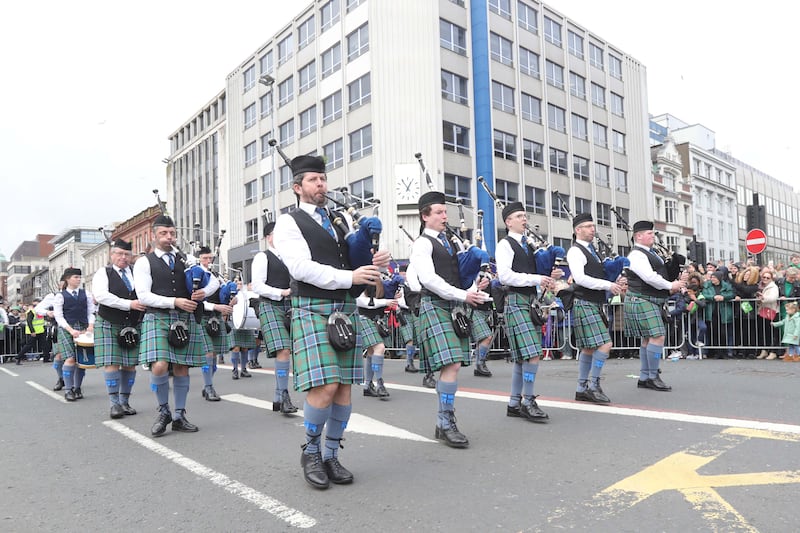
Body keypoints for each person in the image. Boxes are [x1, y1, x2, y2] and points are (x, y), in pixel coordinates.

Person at [273, 154, 390, 489]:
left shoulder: (339, 220)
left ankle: (331, 454)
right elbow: (300, 268)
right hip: (311, 306)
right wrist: (349, 275)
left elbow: (354, 259)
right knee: (323, 387)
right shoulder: (289, 222)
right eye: (312, 180)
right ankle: (310, 451)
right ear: (298, 187)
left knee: (342, 389)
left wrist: (373, 260)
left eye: (323, 179)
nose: (320, 185)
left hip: (344, 307)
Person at [409, 190, 489, 448]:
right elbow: (429, 280)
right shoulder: (422, 244)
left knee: (452, 365)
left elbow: (457, 275)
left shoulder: (449, 242)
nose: (445, 216)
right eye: (440, 212)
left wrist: (475, 287)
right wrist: (463, 296)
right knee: (452, 364)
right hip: (436, 305)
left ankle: (444, 422)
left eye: (446, 212)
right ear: (425, 216)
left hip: (453, 304)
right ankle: (445, 422)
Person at [133, 215, 218, 436]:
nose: (169, 237)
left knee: (182, 367)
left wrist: (203, 292)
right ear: (154, 236)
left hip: (184, 318)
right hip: (158, 316)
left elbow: (215, 280)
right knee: (160, 365)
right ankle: (163, 411)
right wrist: (174, 301)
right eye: (163, 233)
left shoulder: (187, 259)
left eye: (172, 233)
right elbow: (143, 296)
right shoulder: (144, 262)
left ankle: (179, 415)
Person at [495, 202, 553, 421]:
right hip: (516, 301)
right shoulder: (505, 244)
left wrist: (547, 275)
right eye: (519, 216)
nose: (524, 219)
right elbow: (505, 276)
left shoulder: (528, 245)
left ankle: (513, 402)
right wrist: (536, 278)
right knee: (532, 355)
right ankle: (528, 401)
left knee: (523, 357)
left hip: (529, 302)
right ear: (508, 221)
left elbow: (531, 273)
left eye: (525, 216)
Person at [565, 213, 623, 403]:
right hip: (584, 302)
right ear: (577, 230)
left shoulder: (592, 251)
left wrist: (614, 280)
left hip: (594, 302)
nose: (592, 229)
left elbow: (597, 275)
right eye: (588, 226)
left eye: (593, 225)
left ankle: (581, 388)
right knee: (605, 344)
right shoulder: (575, 251)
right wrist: (608, 285)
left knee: (588, 349)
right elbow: (580, 278)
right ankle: (593, 384)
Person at [624, 221, 685, 391]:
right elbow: (649, 277)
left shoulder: (651, 253)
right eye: (649, 233)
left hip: (648, 299)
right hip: (642, 298)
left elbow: (659, 272)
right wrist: (670, 285)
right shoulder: (636, 255)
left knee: (647, 339)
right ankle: (652, 376)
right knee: (657, 336)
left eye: (653, 233)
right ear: (638, 236)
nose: (653, 235)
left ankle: (645, 376)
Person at [92, 239, 145, 418]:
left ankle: (125, 402)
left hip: (132, 324)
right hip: (108, 322)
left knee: (130, 365)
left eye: (127, 254)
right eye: (120, 254)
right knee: (112, 363)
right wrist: (129, 304)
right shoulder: (103, 272)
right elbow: (101, 296)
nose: (123, 257)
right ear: (112, 255)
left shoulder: (137, 273)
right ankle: (114, 404)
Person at [251, 221, 297, 414]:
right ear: (268, 237)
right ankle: (284, 394)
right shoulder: (262, 257)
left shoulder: (292, 257)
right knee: (284, 350)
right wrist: (283, 292)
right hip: (270, 305)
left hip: (292, 306)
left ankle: (278, 397)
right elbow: (258, 286)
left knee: (290, 351)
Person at [53, 268, 96, 401]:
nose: (78, 279)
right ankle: (68, 389)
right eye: (75, 277)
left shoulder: (86, 294)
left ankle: (77, 388)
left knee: (81, 361)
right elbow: (58, 316)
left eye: (79, 277)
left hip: (84, 328)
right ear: (67, 279)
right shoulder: (60, 296)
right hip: (67, 329)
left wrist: (90, 326)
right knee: (70, 358)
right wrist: (71, 330)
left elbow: (91, 312)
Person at [197, 246, 233, 402]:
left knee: (215, 355)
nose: (208, 261)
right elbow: (195, 300)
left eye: (210, 258)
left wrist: (231, 301)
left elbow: (223, 297)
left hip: (217, 318)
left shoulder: (217, 277)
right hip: (202, 317)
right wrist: (216, 306)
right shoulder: (195, 275)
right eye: (205, 258)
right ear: (199, 259)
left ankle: (207, 385)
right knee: (209, 353)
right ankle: (209, 387)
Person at [701, 271, 735, 359]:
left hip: (724, 312)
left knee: (724, 332)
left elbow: (731, 294)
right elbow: (704, 294)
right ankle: (717, 352)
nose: (713, 279)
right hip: (712, 312)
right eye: (712, 277)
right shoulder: (707, 285)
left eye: (715, 278)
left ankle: (724, 351)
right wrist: (713, 297)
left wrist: (723, 297)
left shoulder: (726, 285)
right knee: (714, 332)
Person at [755, 269, 780, 360]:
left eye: (767, 277)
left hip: (771, 311)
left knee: (772, 332)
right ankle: (764, 350)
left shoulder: (773, 287)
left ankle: (773, 351)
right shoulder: (760, 286)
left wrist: (763, 298)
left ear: (771, 278)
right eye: (763, 277)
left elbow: (773, 298)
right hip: (762, 310)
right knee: (763, 332)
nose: (765, 279)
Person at [15, 298, 45, 364]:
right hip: (34, 331)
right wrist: (32, 331)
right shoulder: (31, 311)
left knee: (44, 344)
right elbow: (29, 321)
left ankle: (46, 358)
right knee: (29, 345)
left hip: (41, 330)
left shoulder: (40, 310)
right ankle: (18, 357)